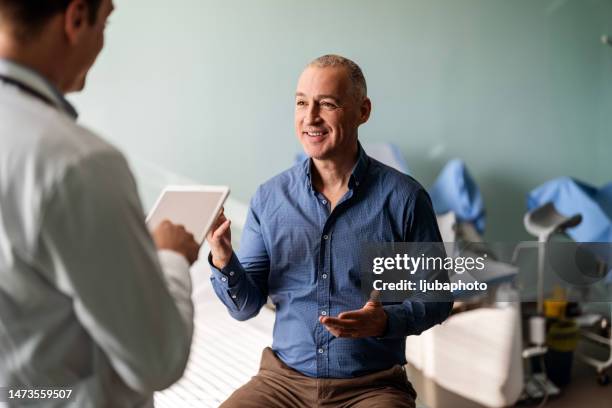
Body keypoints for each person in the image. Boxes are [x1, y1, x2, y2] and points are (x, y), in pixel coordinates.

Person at [207, 54, 453, 408]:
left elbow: (437, 297)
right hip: (282, 385)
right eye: (302, 103)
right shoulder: (270, 198)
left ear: (363, 111)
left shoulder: (405, 199)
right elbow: (245, 307)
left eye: (328, 104)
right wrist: (223, 256)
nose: (311, 117)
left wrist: (385, 321)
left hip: (373, 387)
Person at [0, 1, 200, 406]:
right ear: (76, 19)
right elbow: (158, 360)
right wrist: (170, 258)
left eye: (327, 103)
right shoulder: (78, 163)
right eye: (105, 21)